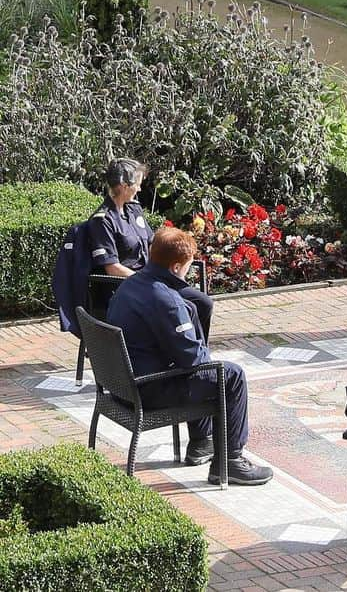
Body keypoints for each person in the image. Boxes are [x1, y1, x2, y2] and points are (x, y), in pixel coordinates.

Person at [107, 226, 272, 485]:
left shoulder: (129, 286)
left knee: (210, 373)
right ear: (175, 267)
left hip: (121, 385)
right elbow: (193, 360)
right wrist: (202, 351)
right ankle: (229, 462)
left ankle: (202, 442)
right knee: (231, 375)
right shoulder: (166, 300)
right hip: (147, 391)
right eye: (187, 266)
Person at [88, 157, 213, 342]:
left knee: (203, 303)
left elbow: (152, 244)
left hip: (153, 279)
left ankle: (199, 355)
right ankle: (183, 357)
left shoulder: (134, 210)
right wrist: (147, 280)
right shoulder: (102, 220)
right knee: (188, 308)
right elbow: (112, 268)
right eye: (137, 184)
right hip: (128, 287)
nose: (139, 188)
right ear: (123, 185)